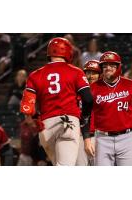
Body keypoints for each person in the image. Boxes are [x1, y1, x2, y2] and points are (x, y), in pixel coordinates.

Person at [20, 37, 93, 166]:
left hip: (46, 125)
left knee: (58, 163)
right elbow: (88, 98)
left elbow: (27, 106)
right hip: (68, 122)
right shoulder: (76, 72)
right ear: (68, 52)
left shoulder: (35, 75)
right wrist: (85, 117)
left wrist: (32, 118)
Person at [84, 51, 132, 166]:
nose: (108, 68)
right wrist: (87, 139)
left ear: (119, 67)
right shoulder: (93, 88)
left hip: (127, 137)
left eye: (112, 65)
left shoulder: (131, 85)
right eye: (105, 66)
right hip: (102, 138)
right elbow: (86, 116)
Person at [76, 60, 101, 166]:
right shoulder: (77, 92)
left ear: (100, 74)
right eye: (88, 72)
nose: (91, 76)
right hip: (81, 136)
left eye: (94, 73)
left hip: (100, 136)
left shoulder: (106, 92)